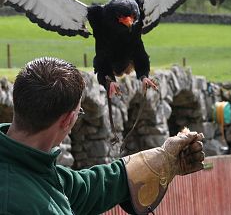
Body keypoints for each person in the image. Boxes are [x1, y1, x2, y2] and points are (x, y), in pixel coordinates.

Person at [0, 57, 205, 215]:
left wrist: (163, 159)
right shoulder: (15, 201)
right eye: (79, 113)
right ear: (68, 119)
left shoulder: (28, 165)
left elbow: (88, 188)